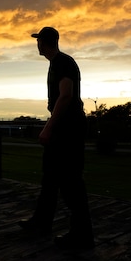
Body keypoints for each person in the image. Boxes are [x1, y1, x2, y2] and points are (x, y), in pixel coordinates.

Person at [18, 27, 94, 249]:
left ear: (42, 42)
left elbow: (66, 95)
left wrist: (48, 127)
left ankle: (82, 235)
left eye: (38, 40)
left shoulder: (63, 62)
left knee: (71, 180)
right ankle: (42, 222)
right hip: (63, 125)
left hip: (68, 127)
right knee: (50, 176)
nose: (37, 45)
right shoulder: (56, 63)